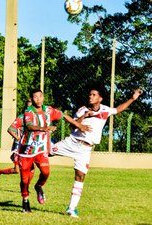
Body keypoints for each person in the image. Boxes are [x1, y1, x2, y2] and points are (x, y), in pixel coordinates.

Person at [49, 86, 143, 218]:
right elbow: (72, 125)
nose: (90, 96)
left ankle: (71, 208)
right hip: (72, 142)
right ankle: (32, 148)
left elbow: (118, 109)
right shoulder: (82, 109)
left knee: (80, 176)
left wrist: (133, 98)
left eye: (94, 95)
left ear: (100, 98)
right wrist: (84, 116)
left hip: (86, 149)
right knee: (46, 152)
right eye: (90, 94)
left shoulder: (105, 110)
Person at [19, 89, 90, 213]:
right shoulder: (28, 111)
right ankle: (25, 200)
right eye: (35, 97)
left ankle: (38, 186)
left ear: (43, 97)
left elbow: (64, 116)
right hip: (27, 149)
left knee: (46, 172)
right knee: (25, 180)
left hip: (41, 149)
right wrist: (44, 128)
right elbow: (30, 126)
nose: (38, 99)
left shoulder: (48, 110)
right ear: (32, 99)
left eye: (40, 96)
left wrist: (78, 125)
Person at [0, 99, 34, 184]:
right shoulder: (21, 117)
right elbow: (10, 129)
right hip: (18, 146)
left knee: (31, 168)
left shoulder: (35, 119)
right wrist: (18, 138)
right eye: (28, 106)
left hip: (28, 145)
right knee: (17, 170)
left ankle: (26, 187)